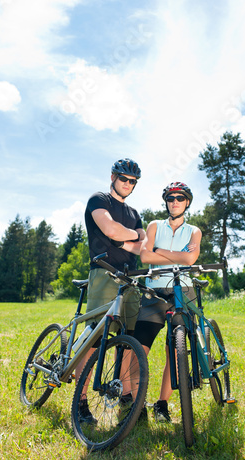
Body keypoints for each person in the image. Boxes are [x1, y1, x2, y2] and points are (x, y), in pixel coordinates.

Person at [76, 158, 145, 423]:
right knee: (95, 340)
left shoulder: (134, 213)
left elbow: (142, 246)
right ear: (113, 177)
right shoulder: (99, 199)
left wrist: (123, 240)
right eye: (124, 178)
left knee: (128, 341)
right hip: (104, 272)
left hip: (130, 279)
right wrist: (130, 236)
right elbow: (108, 228)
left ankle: (126, 398)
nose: (128, 184)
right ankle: (81, 401)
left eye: (132, 181)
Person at [133, 182, 202, 423]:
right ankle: (136, 404)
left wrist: (159, 251)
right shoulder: (154, 226)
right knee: (138, 350)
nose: (175, 202)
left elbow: (191, 258)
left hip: (182, 290)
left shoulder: (194, 231)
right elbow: (144, 255)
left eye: (180, 198)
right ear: (166, 202)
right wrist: (177, 256)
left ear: (187, 202)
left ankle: (162, 404)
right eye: (171, 198)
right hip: (154, 293)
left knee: (175, 351)